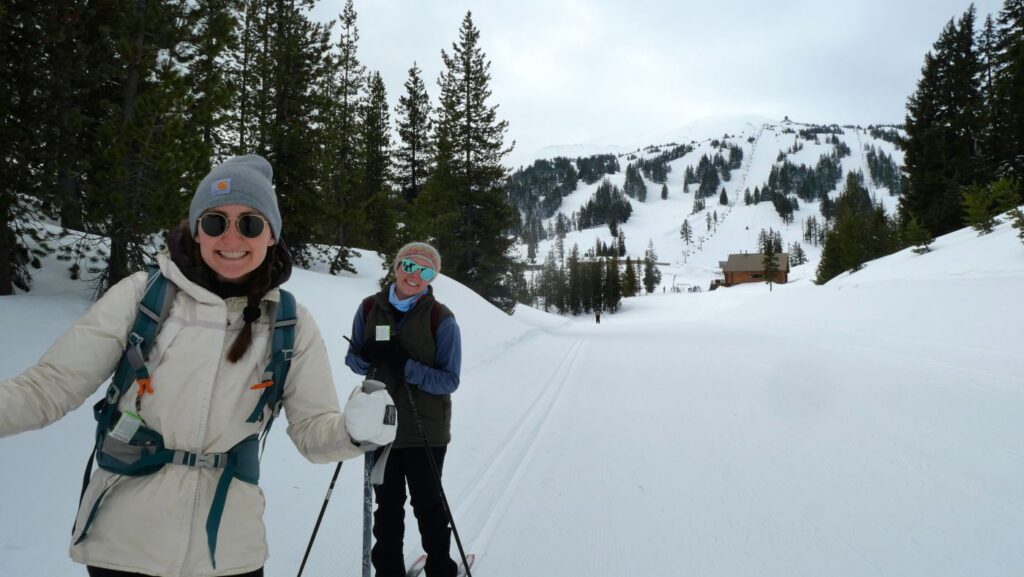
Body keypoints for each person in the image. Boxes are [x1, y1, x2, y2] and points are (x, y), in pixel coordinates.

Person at [0, 154, 393, 577]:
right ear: (196, 230)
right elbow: (50, 387)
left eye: (250, 223)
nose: (231, 237)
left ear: (271, 235)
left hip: (228, 554)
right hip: (124, 546)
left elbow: (314, 431)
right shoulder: (141, 297)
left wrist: (352, 432)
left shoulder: (290, 323)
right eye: (215, 222)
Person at [345, 242, 462, 577]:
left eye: (427, 271)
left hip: (426, 429)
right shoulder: (369, 308)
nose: (416, 276)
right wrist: (366, 355)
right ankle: (388, 571)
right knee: (387, 508)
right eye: (410, 266)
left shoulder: (442, 318)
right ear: (396, 267)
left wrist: (406, 365)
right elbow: (353, 360)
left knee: (428, 505)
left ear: (433, 278)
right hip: (378, 426)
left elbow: (449, 380)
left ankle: (441, 569)